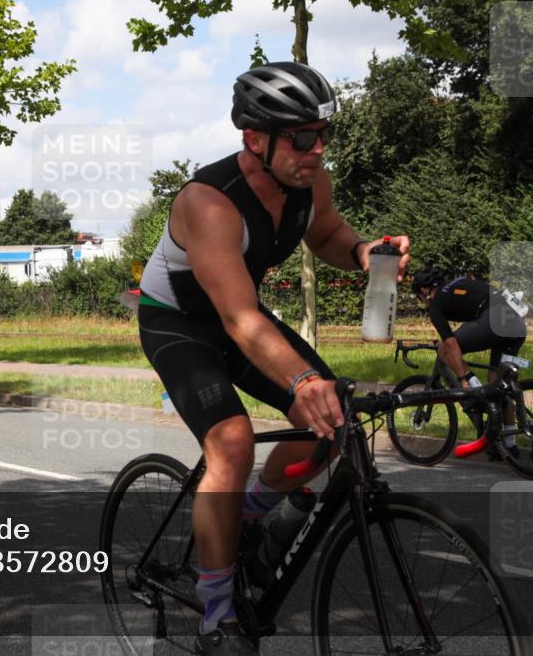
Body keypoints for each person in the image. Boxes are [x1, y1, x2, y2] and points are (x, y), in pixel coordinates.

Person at [137, 62, 410, 655]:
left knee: (333, 419)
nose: (316, 150)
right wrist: (303, 378)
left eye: (322, 134)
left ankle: (251, 519)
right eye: (302, 137)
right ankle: (216, 614)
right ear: (253, 138)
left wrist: (364, 250)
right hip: (182, 325)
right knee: (232, 443)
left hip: (241, 318)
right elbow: (237, 319)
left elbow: (328, 233)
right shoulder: (208, 203)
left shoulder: (312, 181)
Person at [411, 267, 527, 457]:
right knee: (498, 386)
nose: (421, 301)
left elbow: (452, 347)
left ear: (424, 291)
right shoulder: (461, 281)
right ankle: (509, 446)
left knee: (444, 349)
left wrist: (464, 377)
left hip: (494, 319)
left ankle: (474, 387)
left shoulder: (436, 305)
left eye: (418, 296)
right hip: (515, 322)